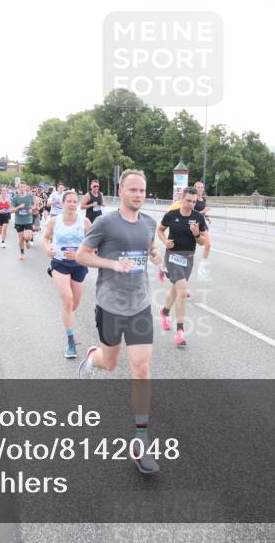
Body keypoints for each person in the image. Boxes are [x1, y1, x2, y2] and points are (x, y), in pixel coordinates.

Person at [76, 169, 164, 474]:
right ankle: (92, 356)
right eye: (132, 190)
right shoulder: (105, 223)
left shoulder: (149, 223)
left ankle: (141, 442)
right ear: (121, 191)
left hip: (139, 305)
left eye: (142, 190)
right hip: (111, 305)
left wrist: (156, 257)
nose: (138, 195)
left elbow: (150, 247)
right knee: (110, 364)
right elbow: (81, 255)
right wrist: (113, 263)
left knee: (141, 369)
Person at [43, 190, 92, 359]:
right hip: (59, 263)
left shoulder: (84, 221)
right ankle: (71, 342)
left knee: (74, 305)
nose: (72, 204)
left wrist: (81, 252)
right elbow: (46, 238)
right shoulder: (54, 221)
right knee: (67, 300)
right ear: (62, 204)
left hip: (79, 265)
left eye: (74, 201)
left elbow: (93, 244)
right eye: (68, 201)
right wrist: (47, 248)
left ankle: (67, 317)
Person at [157, 187, 208, 347]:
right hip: (172, 256)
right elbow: (160, 229)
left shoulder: (198, 217)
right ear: (181, 198)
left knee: (176, 288)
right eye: (188, 201)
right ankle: (180, 332)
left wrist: (196, 234)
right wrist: (165, 241)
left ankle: (164, 312)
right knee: (182, 290)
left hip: (188, 258)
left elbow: (203, 242)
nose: (191, 204)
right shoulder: (172, 215)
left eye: (194, 201)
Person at [193, 180, 213, 277]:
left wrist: (206, 216)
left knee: (208, 245)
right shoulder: (193, 199)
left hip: (202, 225)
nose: (200, 189)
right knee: (188, 248)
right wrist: (203, 211)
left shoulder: (203, 200)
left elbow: (201, 213)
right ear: (195, 188)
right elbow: (192, 213)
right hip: (193, 225)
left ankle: (202, 267)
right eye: (198, 187)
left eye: (201, 187)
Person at [11, 182, 35, 259]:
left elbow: (35, 205)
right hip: (19, 221)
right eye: (20, 187)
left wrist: (31, 209)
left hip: (28, 220)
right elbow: (11, 210)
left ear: (26, 188)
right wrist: (18, 207)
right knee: (21, 238)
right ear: (18, 188)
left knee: (27, 236)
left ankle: (27, 241)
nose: (22, 188)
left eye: (23, 187)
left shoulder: (30, 197)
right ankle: (22, 253)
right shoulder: (15, 198)